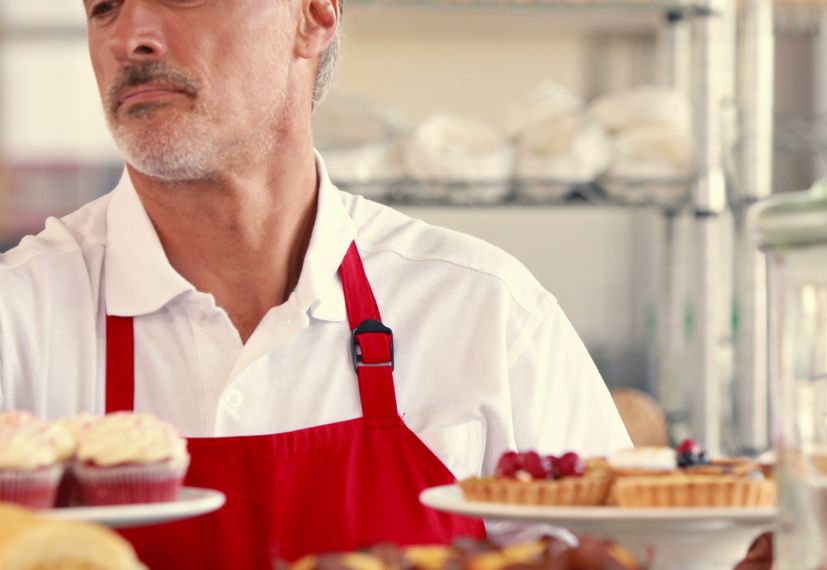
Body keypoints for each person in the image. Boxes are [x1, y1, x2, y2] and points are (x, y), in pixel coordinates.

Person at [0, 0, 631, 567]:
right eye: (103, 7)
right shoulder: (17, 321)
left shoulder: (485, 312)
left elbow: (620, 554)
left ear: (314, 15)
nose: (129, 36)